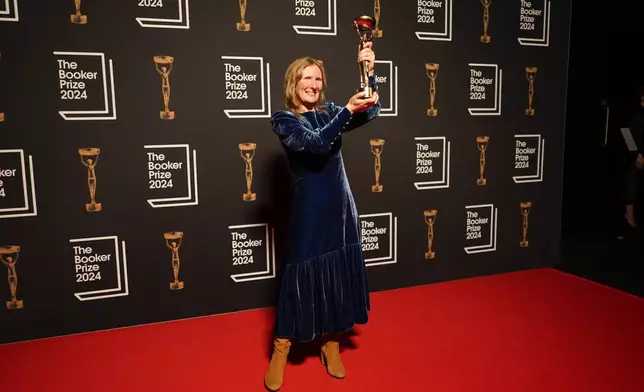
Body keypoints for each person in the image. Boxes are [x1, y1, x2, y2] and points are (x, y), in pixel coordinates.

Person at [264, 43, 381, 391]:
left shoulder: (330, 110)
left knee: (339, 278)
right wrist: (345, 110)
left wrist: (369, 70)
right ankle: (281, 351)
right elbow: (314, 145)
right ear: (293, 83)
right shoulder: (285, 120)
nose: (313, 84)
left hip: (341, 209)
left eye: (318, 78)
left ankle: (331, 344)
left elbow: (372, 111)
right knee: (299, 277)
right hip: (310, 211)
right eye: (306, 78)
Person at [622, 88, 644, 230]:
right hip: (634, 155)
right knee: (630, 184)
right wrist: (638, 154)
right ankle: (629, 216)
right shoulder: (635, 114)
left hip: (638, 154)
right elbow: (627, 133)